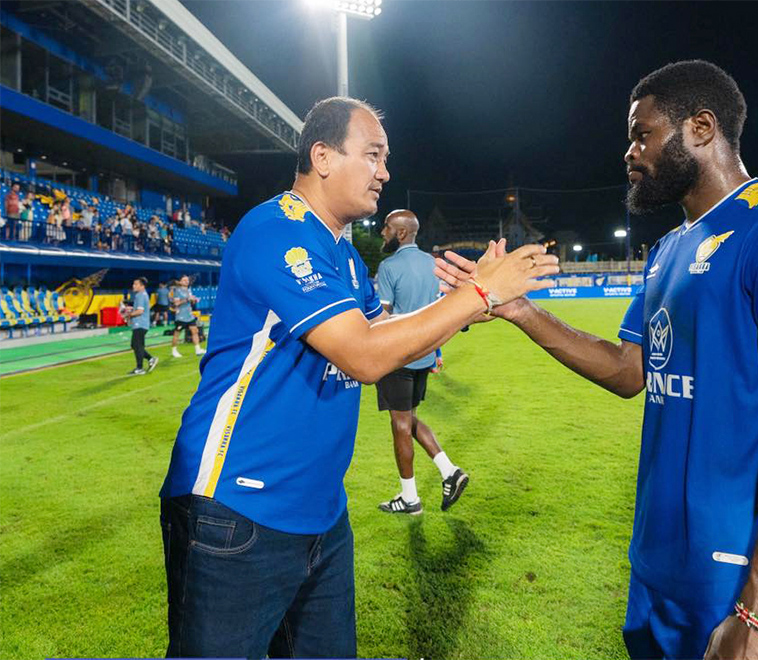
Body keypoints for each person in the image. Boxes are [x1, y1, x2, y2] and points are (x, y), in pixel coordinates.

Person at [435, 60, 758, 660]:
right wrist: (519, 311)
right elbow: (630, 370)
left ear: (702, 128)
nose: (630, 152)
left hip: (742, 576)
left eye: (642, 134)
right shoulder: (668, 250)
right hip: (661, 561)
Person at [158, 96, 557, 659]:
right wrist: (477, 294)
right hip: (236, 509)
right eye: (373, 155)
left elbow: (388, 332)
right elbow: (364, 356)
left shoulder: (340, 249)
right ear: (322, 156)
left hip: (320, 511)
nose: (385, 172)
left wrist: (471, 303)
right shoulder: (277, 230)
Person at [374, 209, 468, 515]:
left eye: (387, 228)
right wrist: (436, 351)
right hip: (425, 353)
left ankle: (411, 498)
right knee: (409, 420)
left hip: (398, 355)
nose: (382, 233)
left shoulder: (389, 266)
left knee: (400, 424)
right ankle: (448, 471)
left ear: (401, 233)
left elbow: (384, 316)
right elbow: (440, 313)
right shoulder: (433, 264)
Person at [122, 277, 158, 375]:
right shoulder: (143, 295)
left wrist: (128, 314)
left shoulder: (140, 295)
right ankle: (150, 359)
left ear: (142, 286)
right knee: (135, 345)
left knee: (137, 345)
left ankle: (140, 368)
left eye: (136, 284)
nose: (133, 286)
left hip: (140, 324)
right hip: (142, 324)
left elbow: (140, 311)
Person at [169, 274, 205, 357]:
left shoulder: (188, 290)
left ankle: (198, 349)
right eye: (184, 280)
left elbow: (190, 301)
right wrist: (188, 299)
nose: (187, 281)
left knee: (195, 331)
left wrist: (194, 300)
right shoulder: (177, 291)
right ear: (180, 282)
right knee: (177, 334)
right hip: (181, 316)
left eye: (187, 280)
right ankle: (174, 351)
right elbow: (176, 303)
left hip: (189, 315)